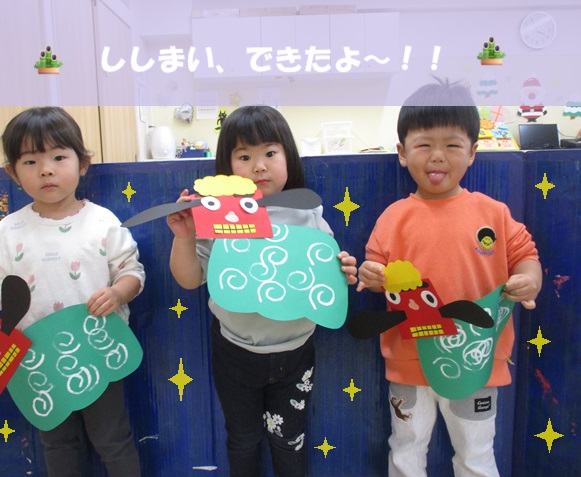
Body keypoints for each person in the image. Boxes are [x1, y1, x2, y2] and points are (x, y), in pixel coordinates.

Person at [0, 107, 145, 477]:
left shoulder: (102, 222)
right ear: (13, 172)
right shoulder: (9, 230)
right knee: (56, 443)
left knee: (112, 439)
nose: (46, 170)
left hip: (98, 351)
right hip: (36, 361)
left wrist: (118, 293)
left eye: (58, 157)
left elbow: (132, 272)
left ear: (83, 163)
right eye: (30, 161)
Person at [356, 79, 542, 477]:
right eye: (424, 145)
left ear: (472, 152)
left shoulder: (493, 213)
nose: (437, 156)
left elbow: (526, 256)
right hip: (410, 360)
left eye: (452, 145)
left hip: (475, 359)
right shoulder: (392, 218)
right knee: (406, 450)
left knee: (476, 455)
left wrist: (529, 279)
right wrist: (371, 276)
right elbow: (373, 271)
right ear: (402, 153)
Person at [167, 105, 358, 476]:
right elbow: (190, 279)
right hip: (234, 351)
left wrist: (342, 272)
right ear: (227, 166)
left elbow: (329, 272)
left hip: (296, 351)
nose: (259, 166)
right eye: (244, 157)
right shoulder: (220, 217)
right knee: (243, 439)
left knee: (290, 439)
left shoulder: (308, 213)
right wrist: (184, 237)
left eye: (270, 153)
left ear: (288, 157)